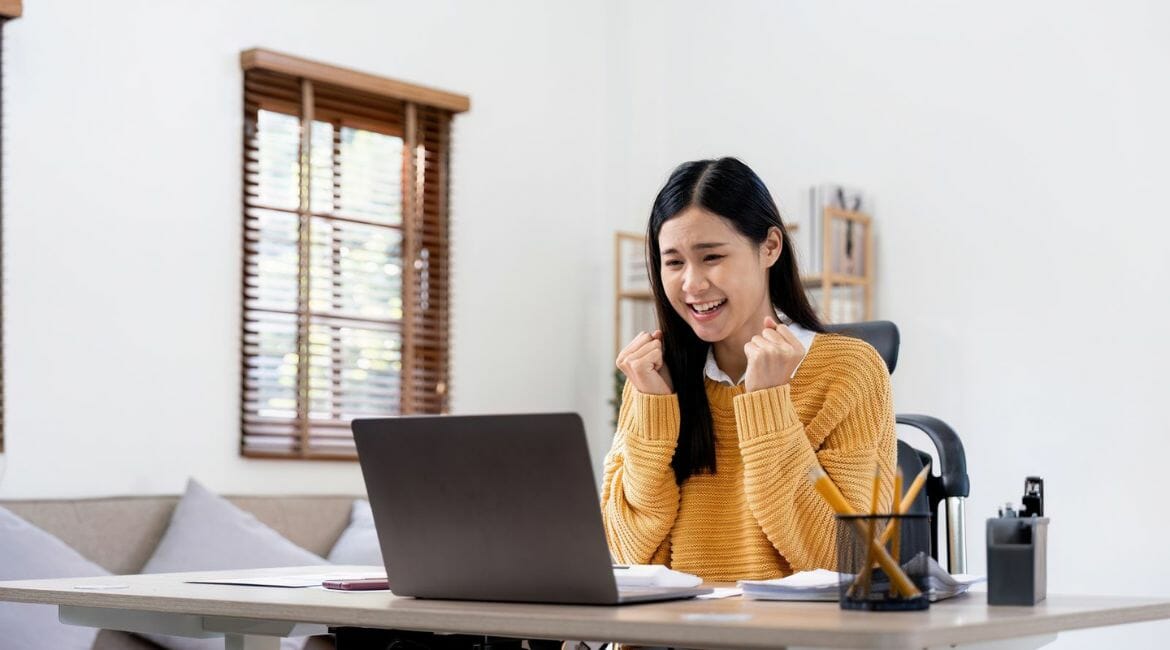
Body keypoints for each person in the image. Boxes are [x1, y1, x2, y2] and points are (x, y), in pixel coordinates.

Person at [602, 158, 897, 582]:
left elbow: (849, 560)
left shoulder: (849, 371)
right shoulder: (656, 380)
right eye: (674, 263)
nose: (692, 284)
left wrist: (768, 406)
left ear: (770, 247)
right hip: (667, 637)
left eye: (712, 257)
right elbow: (623, 552)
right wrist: (652, 410)